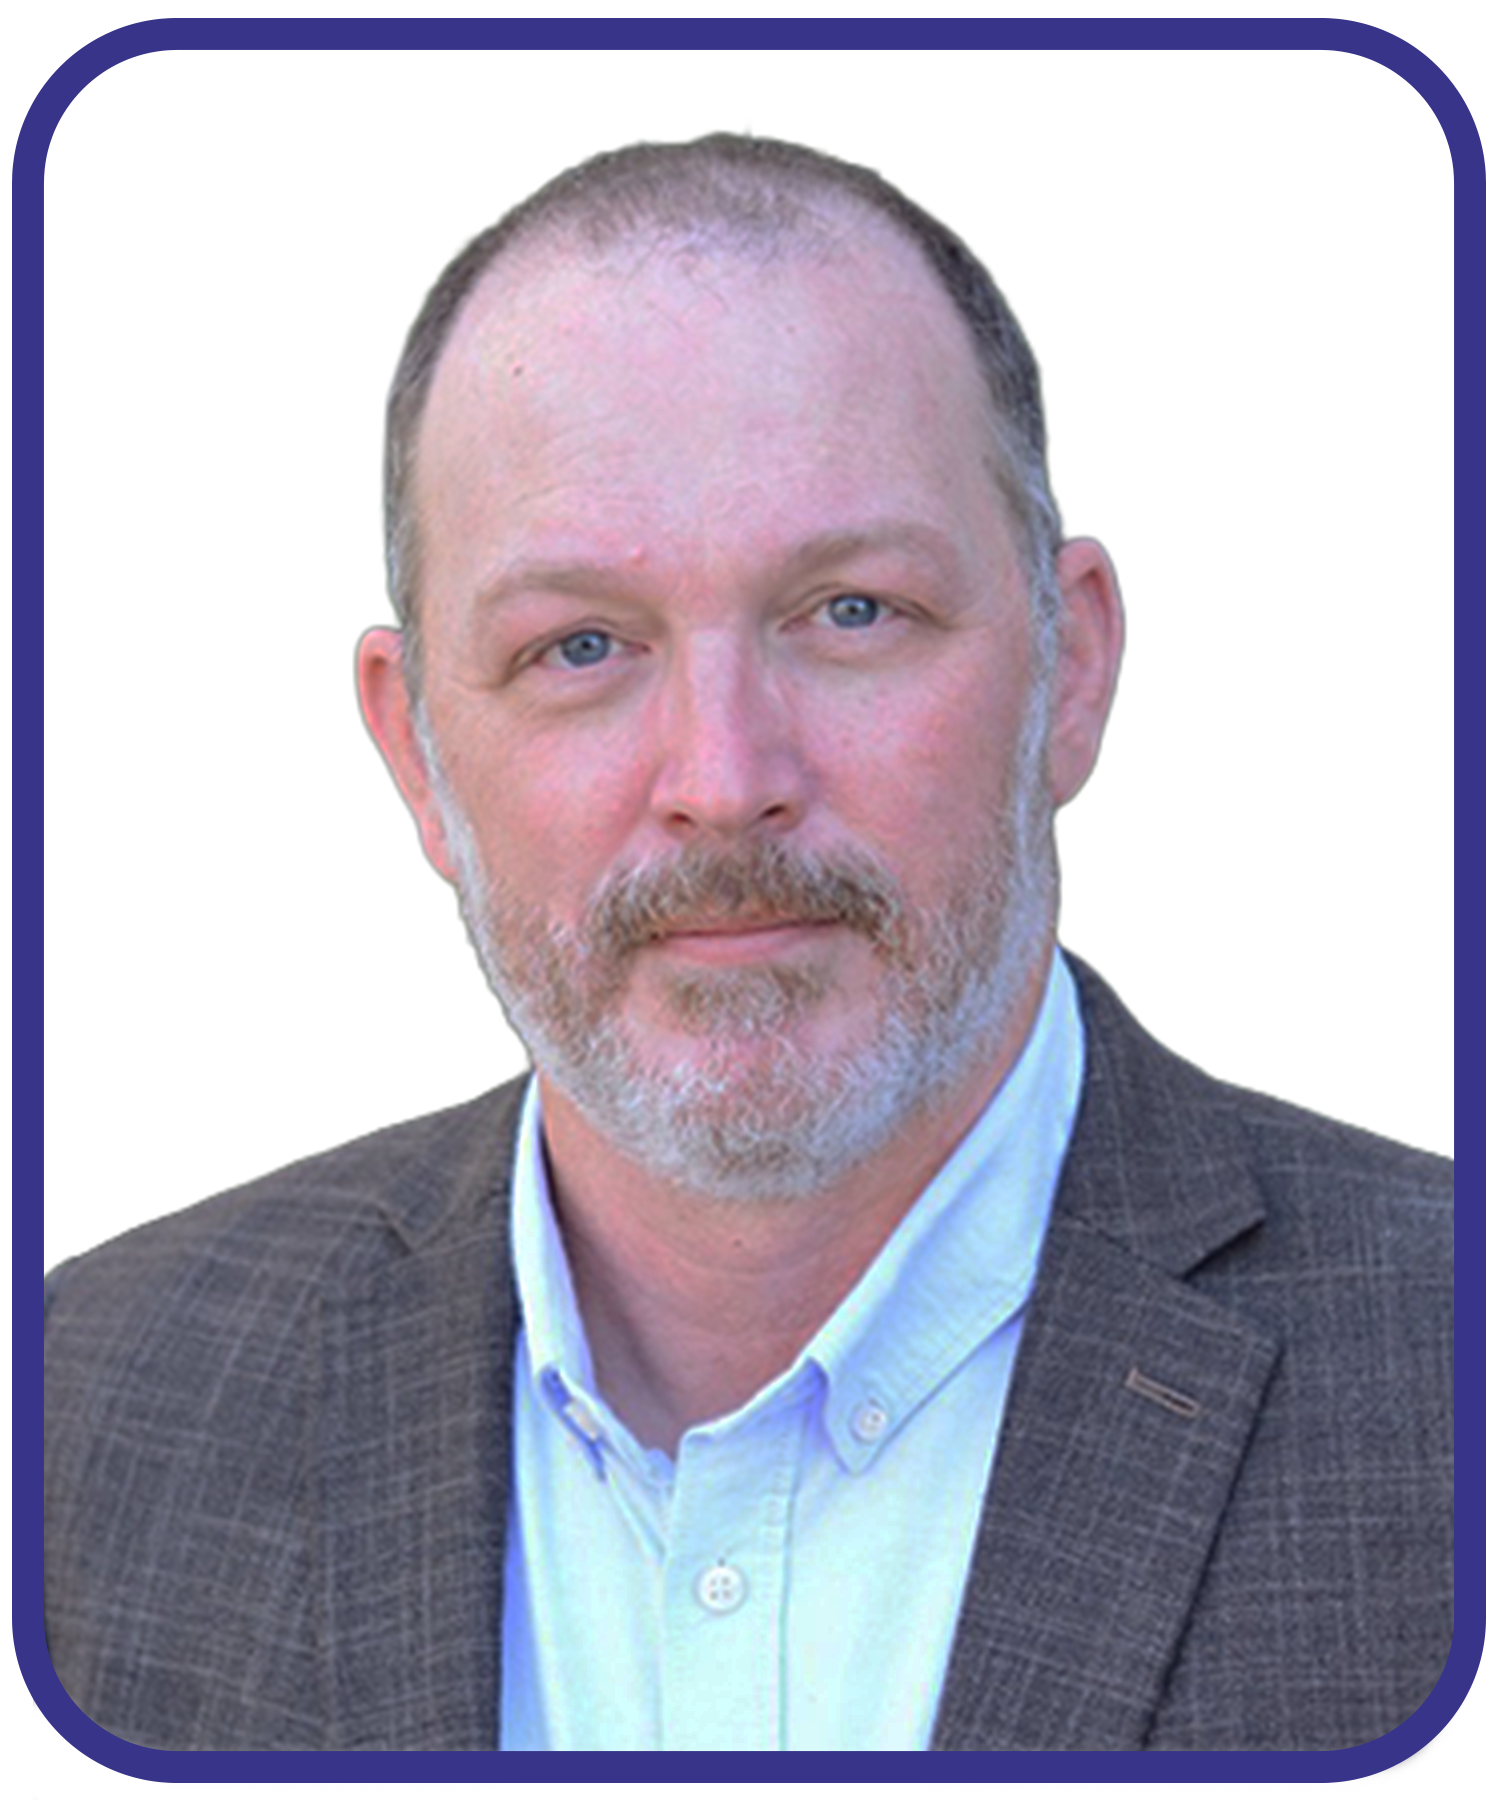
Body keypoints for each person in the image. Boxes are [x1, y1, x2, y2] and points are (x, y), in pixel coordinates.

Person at [44, 134, 1452, 1754]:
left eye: (850, 611)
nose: (724, 782)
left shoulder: (1450, 1372)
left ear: (1069, 671)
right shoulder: (83, 1408)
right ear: (417, 749)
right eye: (580, 645)